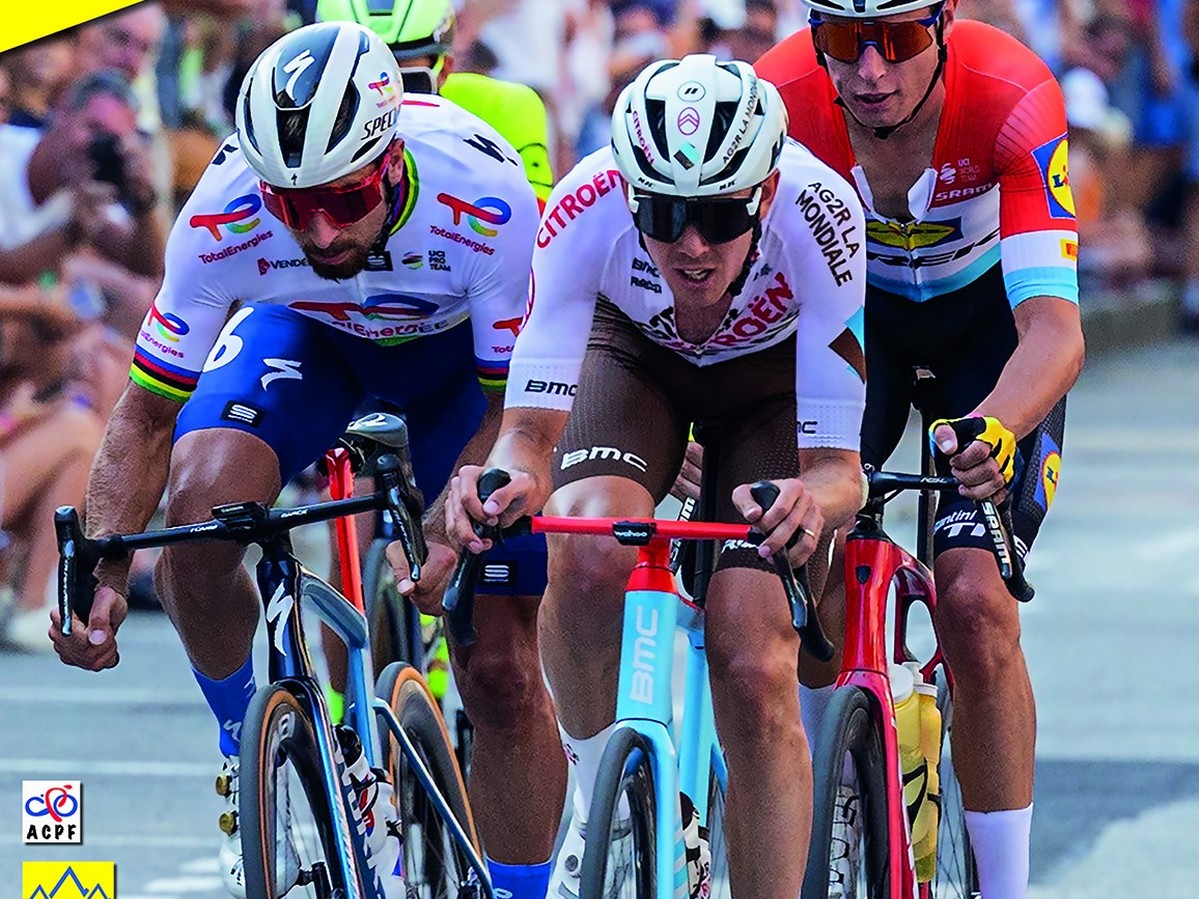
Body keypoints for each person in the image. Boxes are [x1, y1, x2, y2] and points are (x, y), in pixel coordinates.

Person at [48, 22, 563, 899]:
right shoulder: (222, 211)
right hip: (308, 338)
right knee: (199, 515)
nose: (321, 231)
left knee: (501, 668)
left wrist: (459, 515)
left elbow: (514, 410)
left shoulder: (485, 196)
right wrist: (99, 563)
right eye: (292, 205)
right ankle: (249, 743)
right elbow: (144, 414)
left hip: (459, 372)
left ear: (390, 159)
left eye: (345, 196)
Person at [442, 54, 869, 899]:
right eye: (666, 215)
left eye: (718, 214)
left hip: (771, 387)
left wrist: (806, 502)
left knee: (751, 655)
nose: (692, 244)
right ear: (630, 195)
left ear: (764, 192)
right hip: (635, 361)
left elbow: (837, 473)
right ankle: (601, 807)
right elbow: (525, 436)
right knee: (588, 545)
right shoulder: (584, 205)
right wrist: (501, 479)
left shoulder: (821, 214)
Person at [756, 3, 1085, 897]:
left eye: (898, 40)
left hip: (989, 336)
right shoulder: (777, 99)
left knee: (972, 600)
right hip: (856, 333)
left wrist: (997, 426)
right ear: (813, 37)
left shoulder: (1008, 92)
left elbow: (1053, 332)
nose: (870, 70)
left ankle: (1005, 886)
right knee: (805, 552)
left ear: (942, 25)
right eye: (842, 41)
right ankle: (829, 807)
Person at [316, 0, 554, 206]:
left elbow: (535, 223)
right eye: (356, 87)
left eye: (407, 83)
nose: (383, 106)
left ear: (445, 69)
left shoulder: (503, 108)